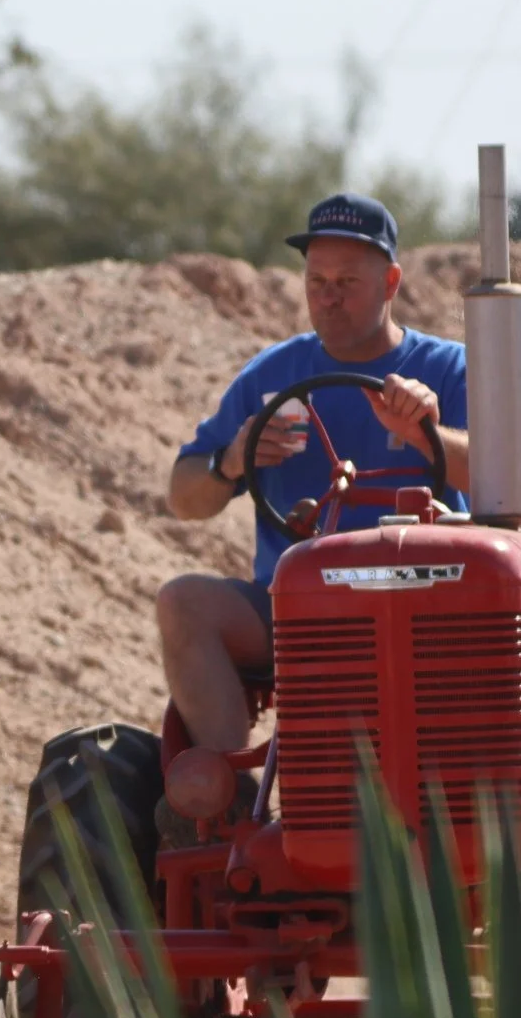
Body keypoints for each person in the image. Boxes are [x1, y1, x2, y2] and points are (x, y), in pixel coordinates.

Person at [156, 193, 473, 757]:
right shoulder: (272, 374)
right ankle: (226, 791)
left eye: (347, 282)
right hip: (297, 611)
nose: (329, 298)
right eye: (316, 281)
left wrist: (426, 434)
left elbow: (501, 476)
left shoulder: (446, 371)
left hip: (423, 608)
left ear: (391, 282)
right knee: (183, 603)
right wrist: (233, 459)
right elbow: (185, 498)